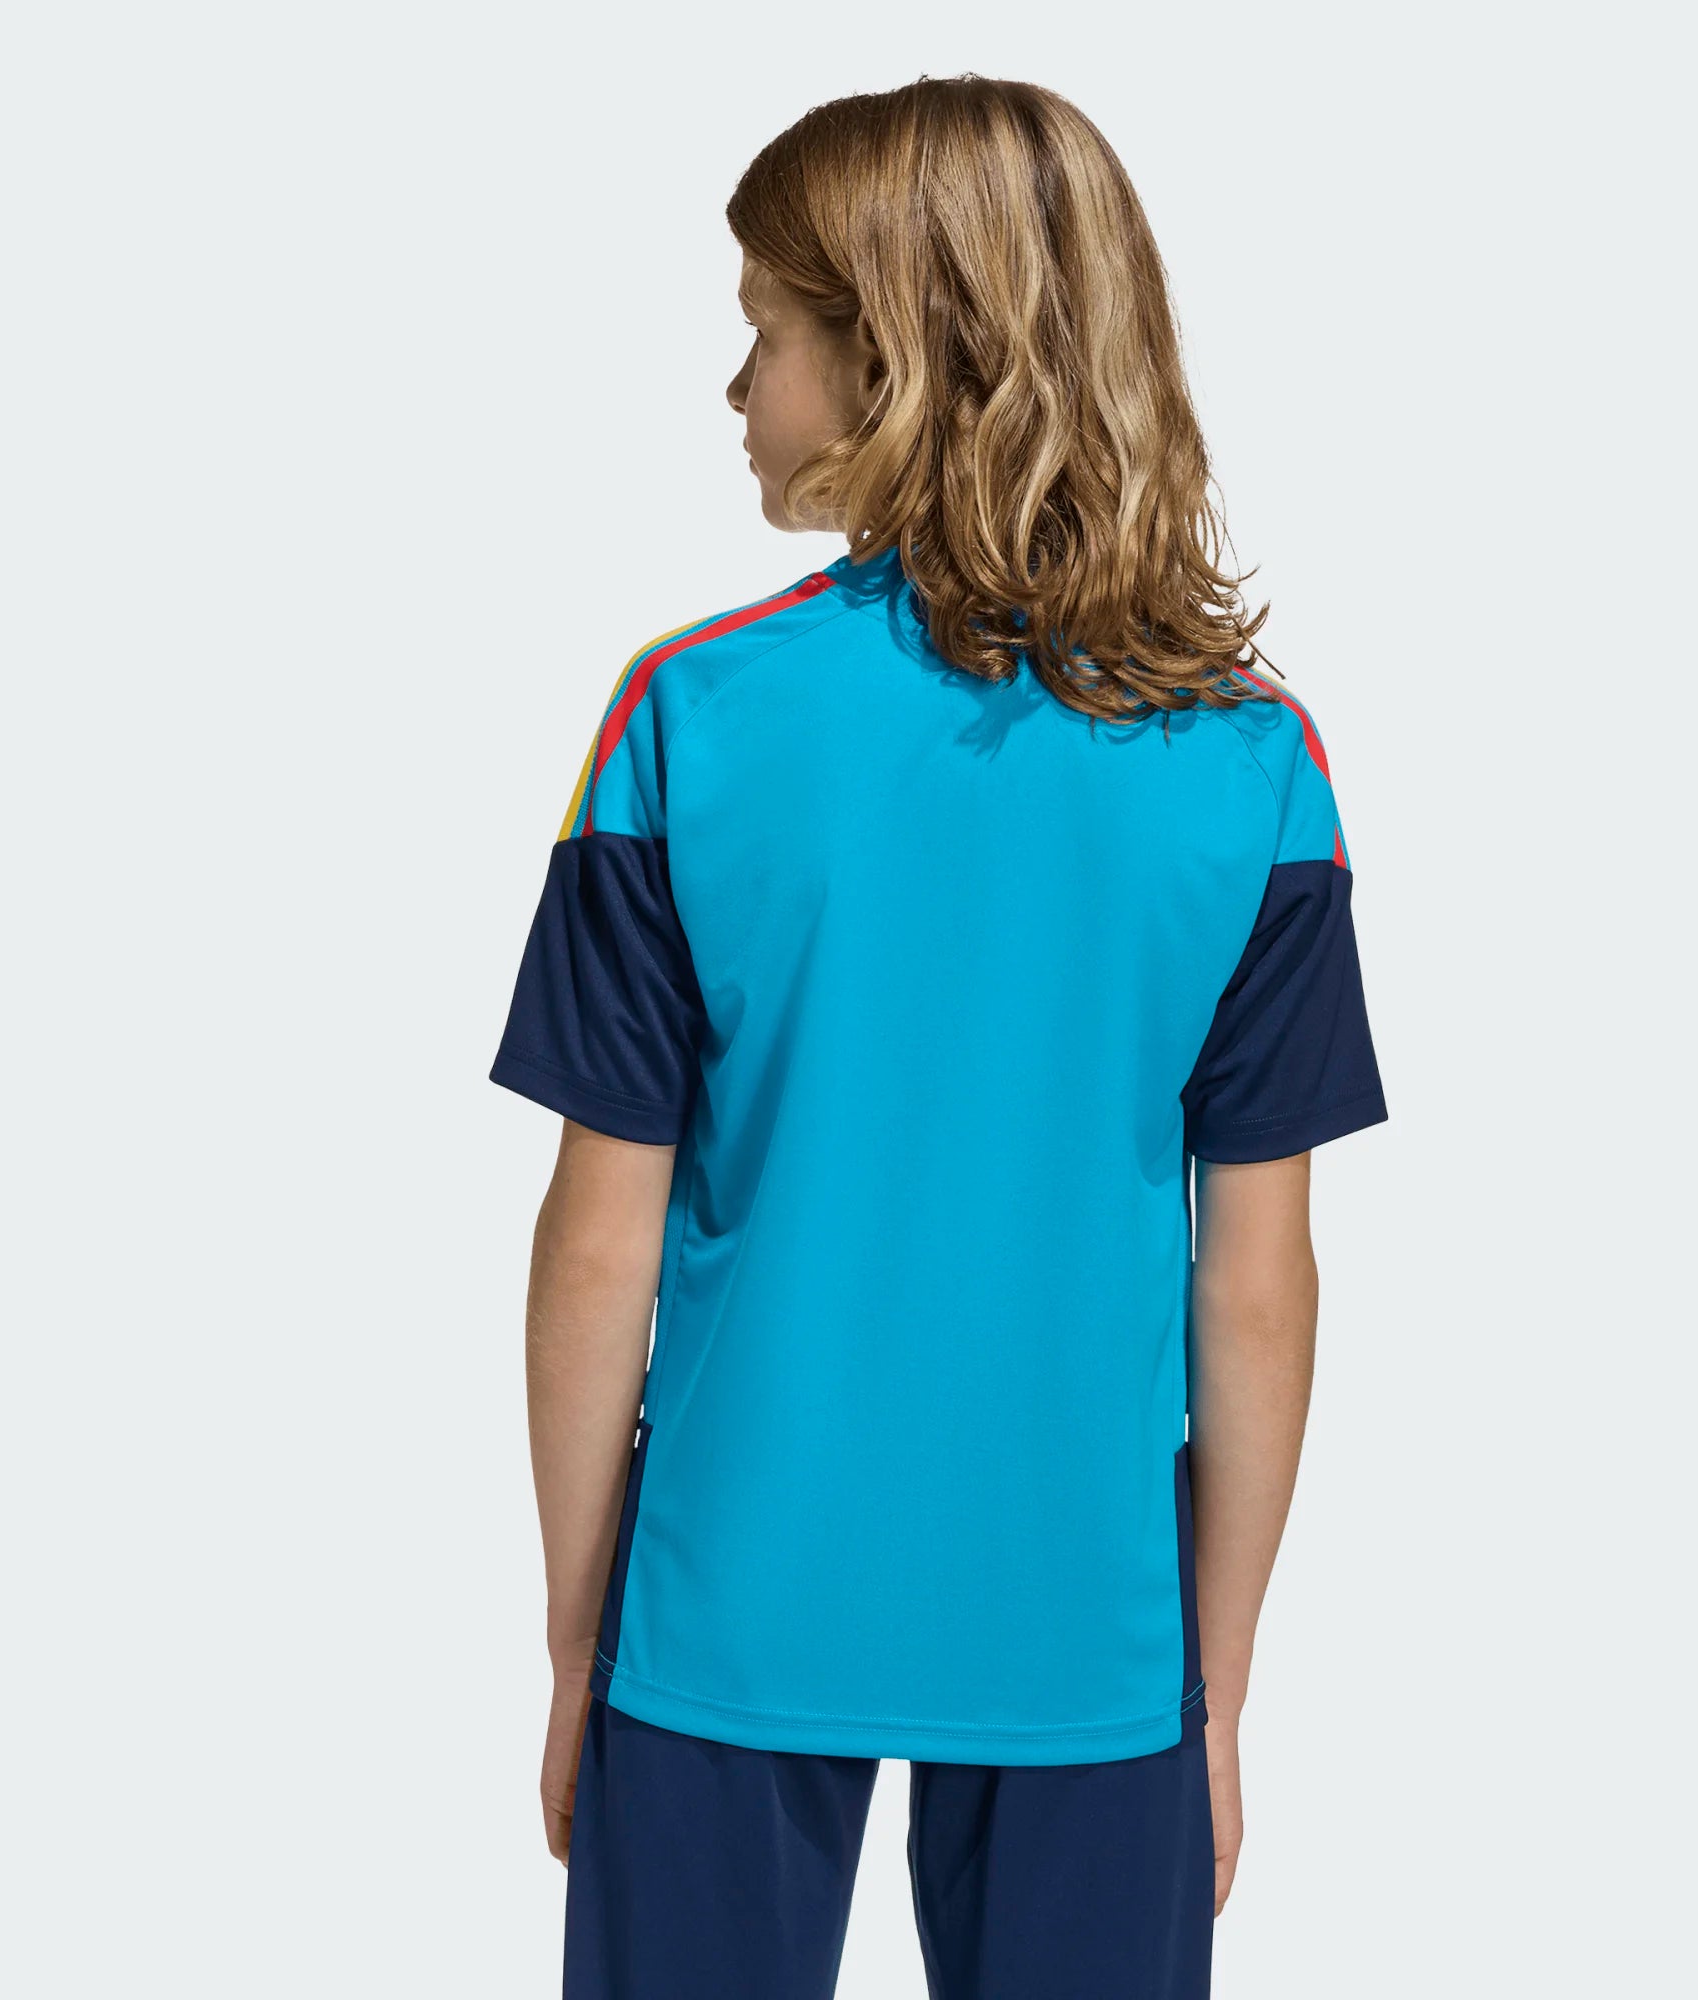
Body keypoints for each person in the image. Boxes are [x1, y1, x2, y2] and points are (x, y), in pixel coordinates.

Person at [491, 75, 1387, 2000]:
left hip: (725, 1607)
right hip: (1089, 1625)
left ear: (891, 359)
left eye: (763, 333)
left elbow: (597, 1241)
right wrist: (1216, 1684)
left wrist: (577, 1642)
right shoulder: (1258, 769)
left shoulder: (689, 717)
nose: (734, 387)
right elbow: (1255, 1284)